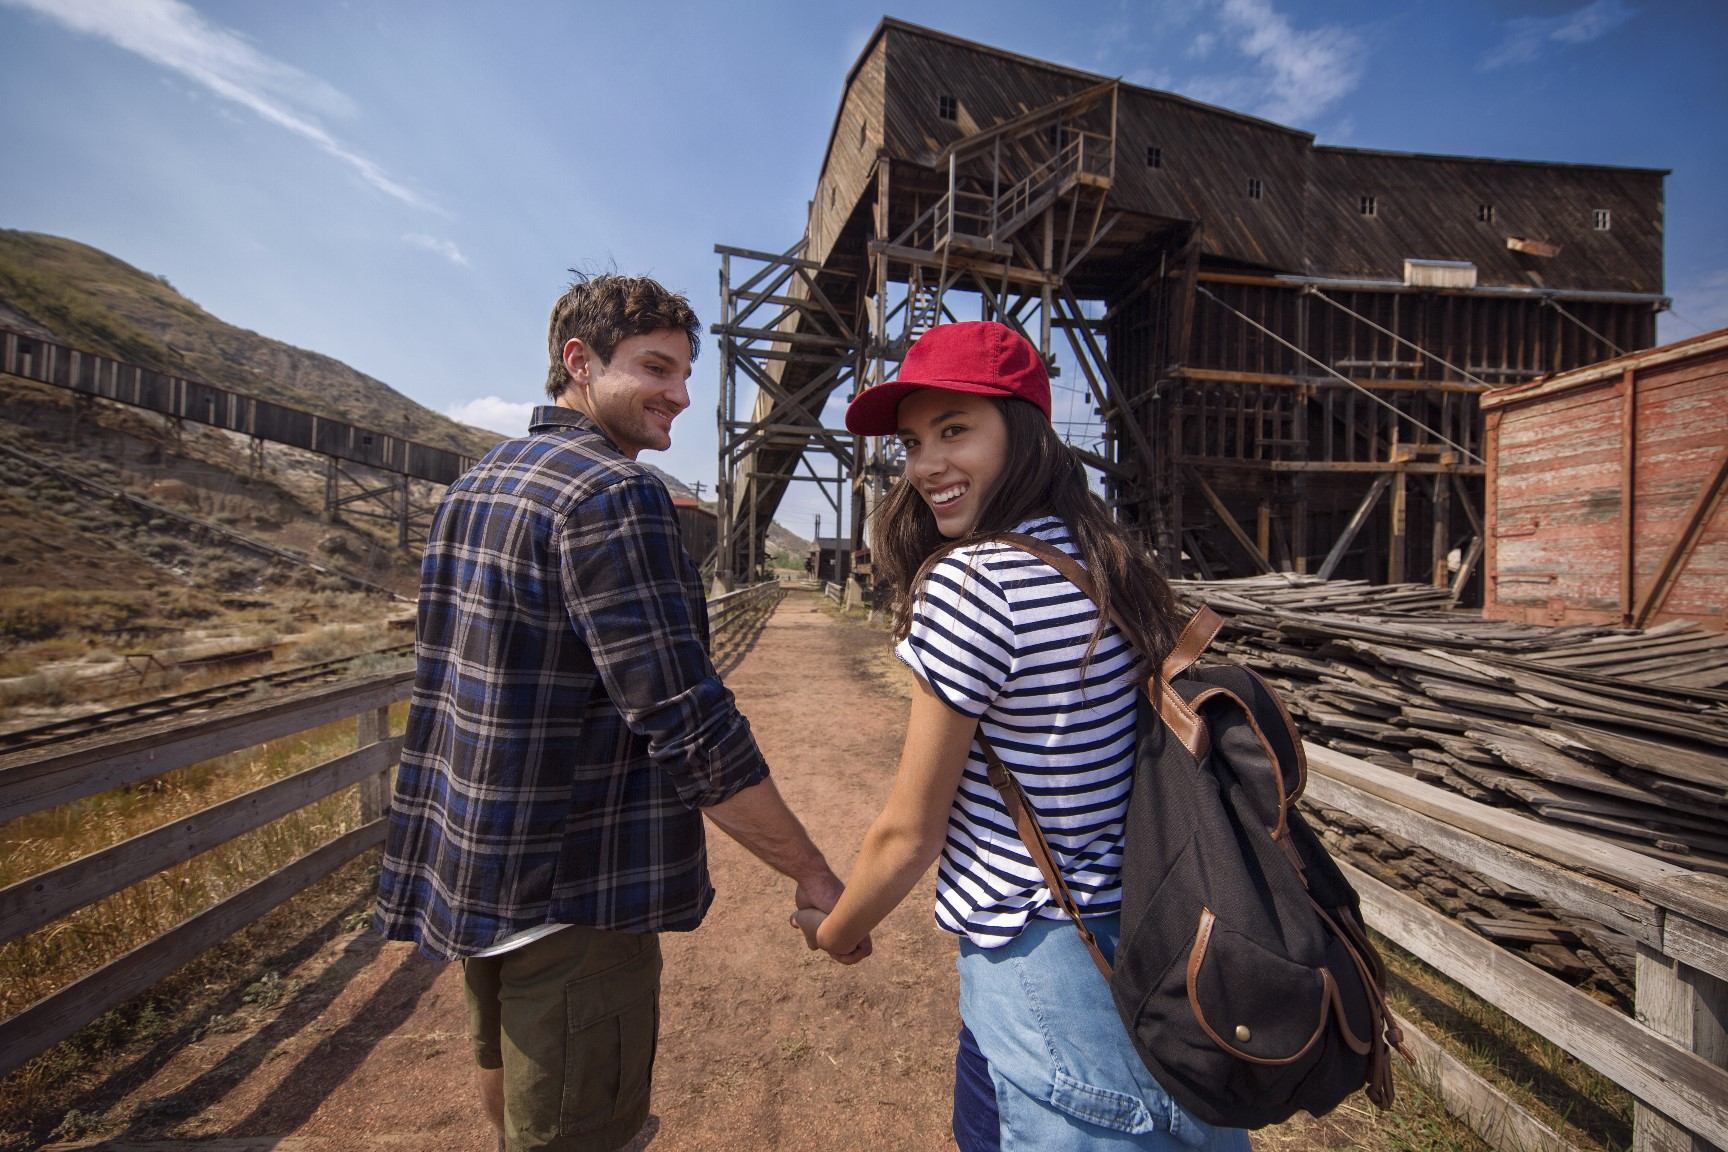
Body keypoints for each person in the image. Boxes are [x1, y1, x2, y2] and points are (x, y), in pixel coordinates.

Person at [376, 272, 865, 1152]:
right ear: (578, 362)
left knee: (517, 1105)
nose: (679, 396)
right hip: (578, 890)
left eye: (684, 373)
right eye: (654, 368)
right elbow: (687, 721)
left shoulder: (477, 484)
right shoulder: (615, 494)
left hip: (481, 871)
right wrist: (813, 871)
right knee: (581, 1130)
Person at [794, 321, 1250, 1151]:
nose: (926, 465)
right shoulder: (1107, 558)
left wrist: (837, 927)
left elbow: (908, 834)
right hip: (1160, 945)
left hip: (1048, 967)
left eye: (956, 429)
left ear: (1025, 431)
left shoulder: (974, 581)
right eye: (912, 442)